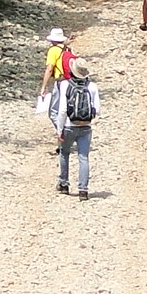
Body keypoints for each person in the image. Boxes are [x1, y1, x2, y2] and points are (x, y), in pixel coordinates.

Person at [47, 61, 100, 200]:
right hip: (86, 127)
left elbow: (63, 110)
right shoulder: (93, 86)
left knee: (64, 153)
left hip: (69, 126)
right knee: (83, 157)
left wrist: (59, 130)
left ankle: (64, 184)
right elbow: (98, 110)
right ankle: (83, 190)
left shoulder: (65, 85)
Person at [37, 28, 73, 105]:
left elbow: (49, 69)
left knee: (56, 109)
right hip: (71, 81)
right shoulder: (67, 49)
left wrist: (44, 86)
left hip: (61, 80)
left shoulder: (53, 50)